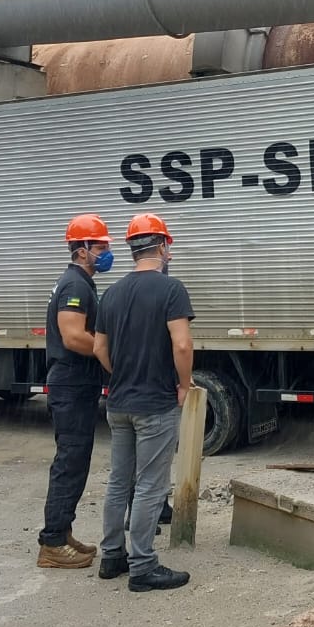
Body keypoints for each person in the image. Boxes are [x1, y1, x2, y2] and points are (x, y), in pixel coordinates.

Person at [93, 213, 195, 593]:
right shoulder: (171, 290)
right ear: (163, 247)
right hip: (155, 403)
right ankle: (143, 566)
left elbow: (99, 348)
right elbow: (182, 344)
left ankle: (112, 556)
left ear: (132, 249)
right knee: (151, 485)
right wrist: (183, 385)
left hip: (118, 402)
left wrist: (122, 373)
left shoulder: (112, 293)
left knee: (119, 481)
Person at [35, 214, 113, 570]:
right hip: (71, 385)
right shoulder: (75, 286)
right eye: (100, 246)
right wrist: (109, 353)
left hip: (76, 384)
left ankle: (63, 533)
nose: (106, 252)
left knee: (76, 461)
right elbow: (72, 336)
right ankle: (52, 542)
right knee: (70, 462)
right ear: (82, 250)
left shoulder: (80, 282)